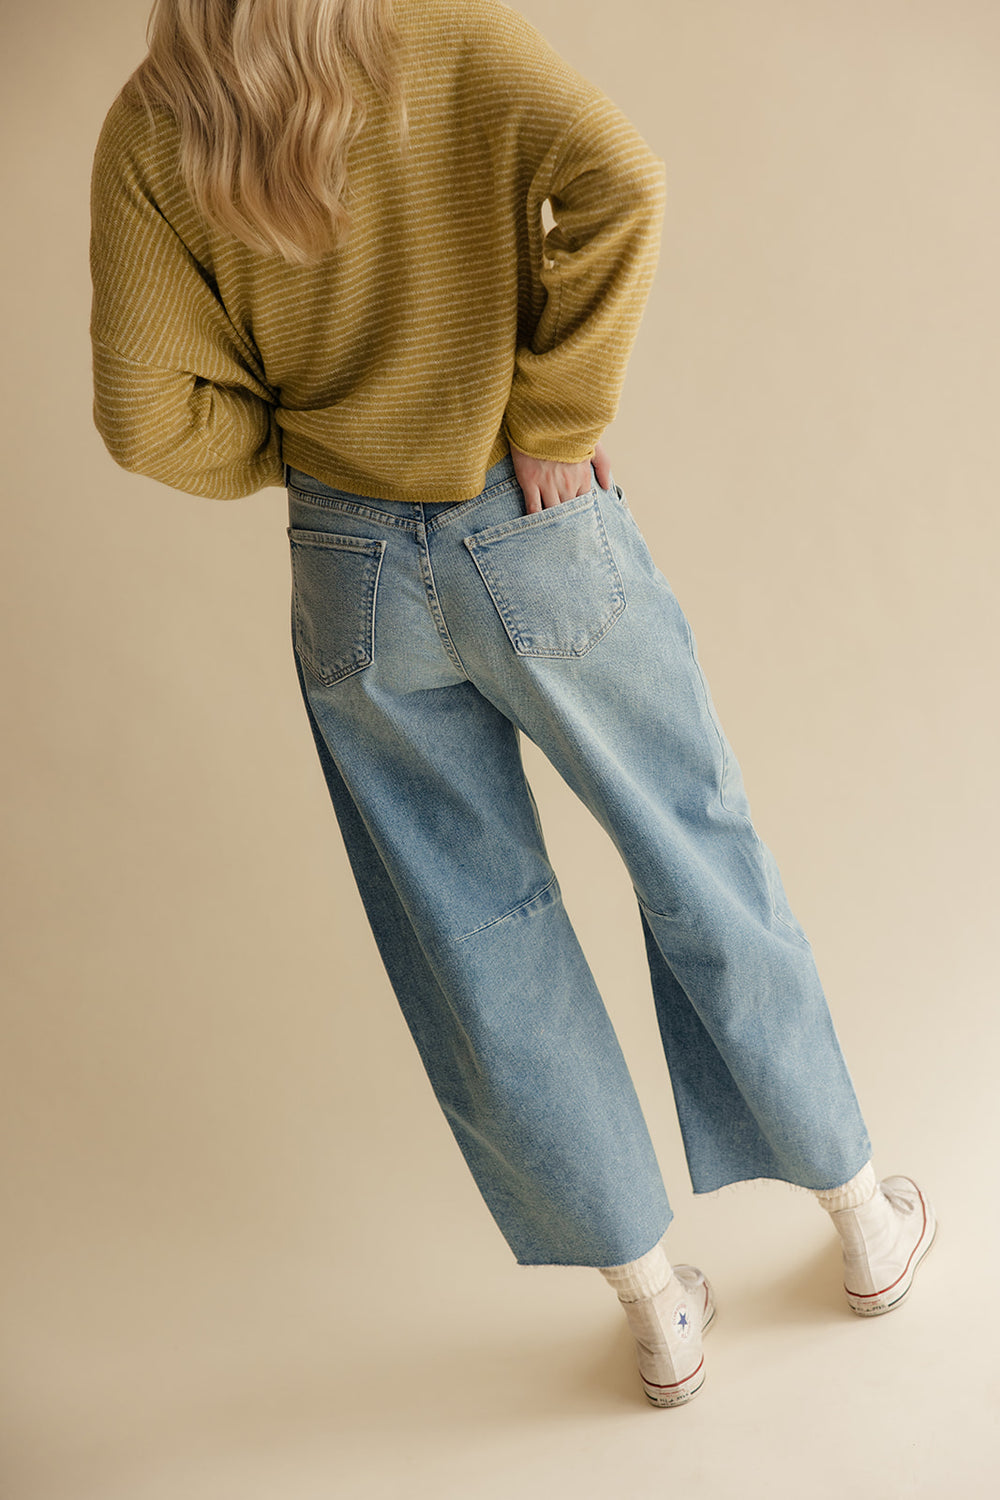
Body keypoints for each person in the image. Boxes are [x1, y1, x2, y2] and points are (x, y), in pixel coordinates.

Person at [89, 0, 935, 1408]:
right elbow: (627, 183)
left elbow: (140, 414)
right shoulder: (446, 35)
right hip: (529, 522)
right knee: (693, 847)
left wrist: (306, 460)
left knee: (477, 934)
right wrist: (556, 415)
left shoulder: (151, 122)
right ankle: (861, 1221)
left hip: (346, 567)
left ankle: (655, 1308)